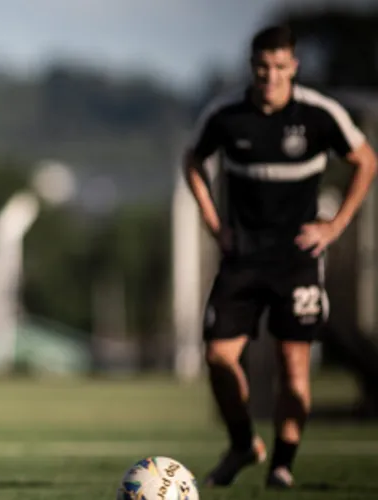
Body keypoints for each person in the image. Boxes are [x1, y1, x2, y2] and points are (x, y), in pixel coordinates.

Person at [184, 24, 377, 489]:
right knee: (217, 357)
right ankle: (243, 442)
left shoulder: (319, 114)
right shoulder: (226, 114)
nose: (269, 75)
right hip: (242, 257)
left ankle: (283, 466)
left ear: (294, 67)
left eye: (279, 67)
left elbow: (366, 161)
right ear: (252, 66)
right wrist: (214, 224)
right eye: (261, 67)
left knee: (294, 369)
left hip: (297, 259)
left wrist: (335, 226)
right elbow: (193, 161)